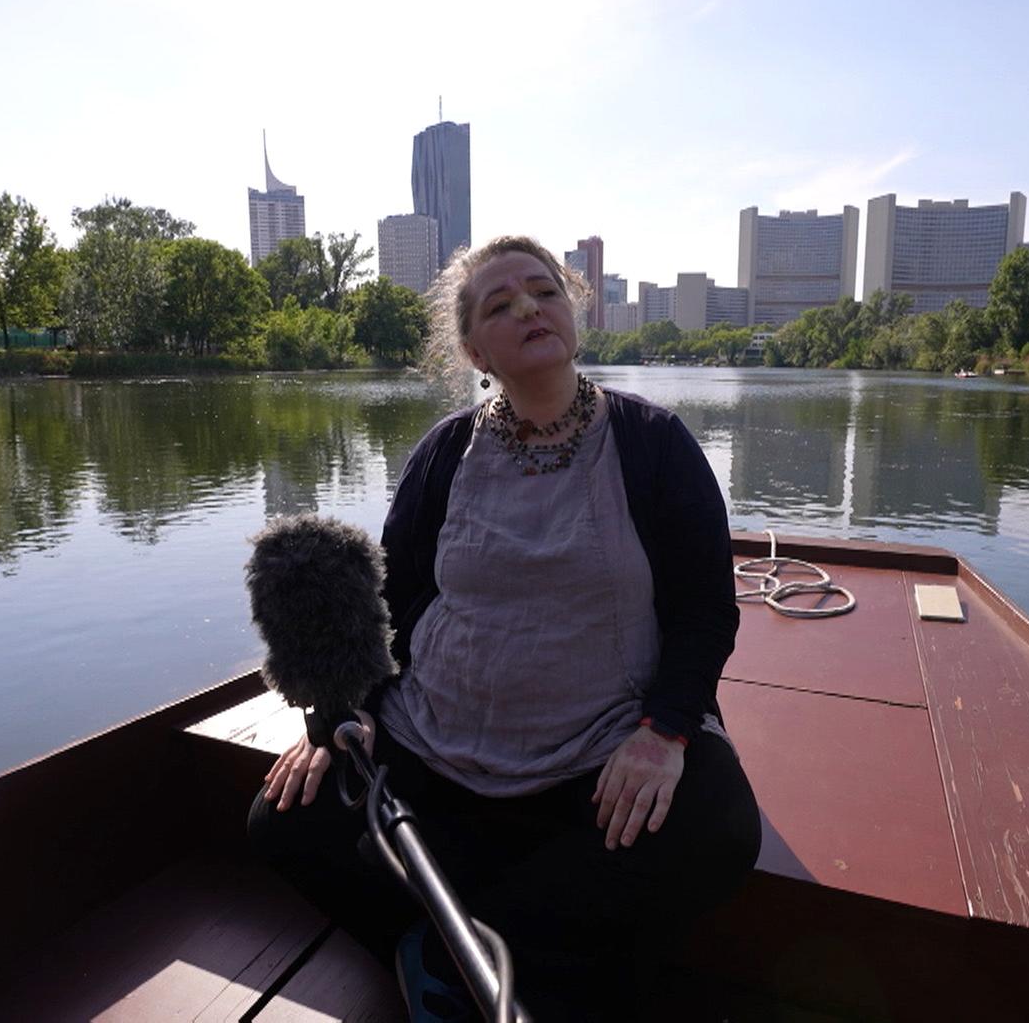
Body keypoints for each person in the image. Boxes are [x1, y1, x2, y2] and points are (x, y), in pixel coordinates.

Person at [246, 235, 761, 1022]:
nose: (529, 307)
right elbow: (394, 598)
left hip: (602, 739)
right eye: (500, 303)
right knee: (284, 822)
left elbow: (703, 610)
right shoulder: (444, 453)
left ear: (574, 312)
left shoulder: (654, 444)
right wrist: (352, 713)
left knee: (718, 827)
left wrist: (664, 731)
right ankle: (519, 958)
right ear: (473, 348)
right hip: (437, 733)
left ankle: (448, 951)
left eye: (544, 290)